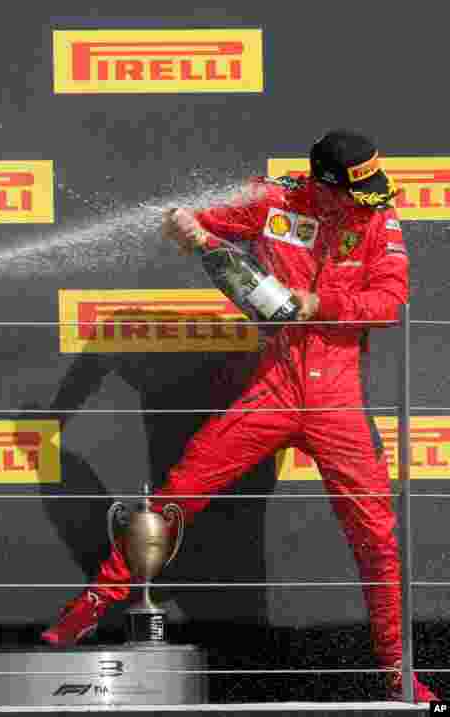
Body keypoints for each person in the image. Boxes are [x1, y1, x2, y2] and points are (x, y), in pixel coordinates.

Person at [40, 129, 439, 702]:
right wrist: (186, 225)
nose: (368, 203)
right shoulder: (272, 200)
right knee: (175, 497)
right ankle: (86, 613)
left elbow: (390, 300)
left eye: (372, 193)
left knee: (376, 538)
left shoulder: (378, 217)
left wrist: (318, 304)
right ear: (324, 188)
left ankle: (399, 673)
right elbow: (203, 222)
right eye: (355, 194)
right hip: (272, 388)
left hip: (338, 399)